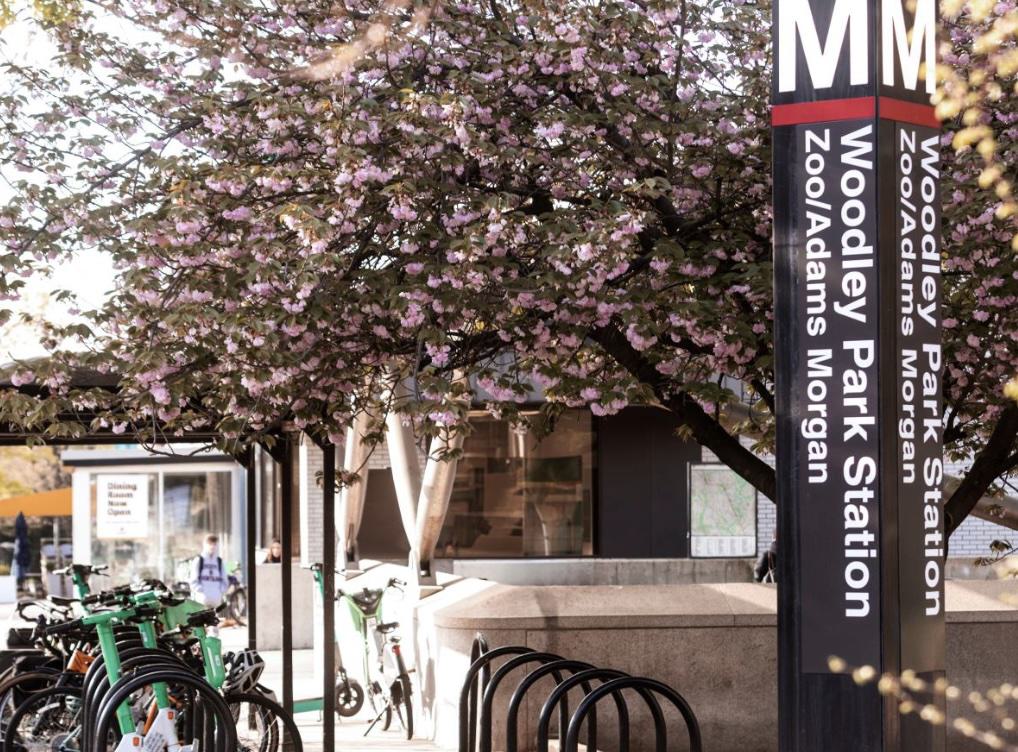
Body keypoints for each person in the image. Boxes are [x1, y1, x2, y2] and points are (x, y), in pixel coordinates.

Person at [189, 534, 228, 610]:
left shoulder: (219, 561)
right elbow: (193, 580)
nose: (212, 547)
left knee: (214, 621)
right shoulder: (199, 560)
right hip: (201, 600)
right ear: (205, 544)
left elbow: (224, 580)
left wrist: (220, 591)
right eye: (210, 544)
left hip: (216, 600)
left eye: (214, 544)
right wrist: (201, 591)